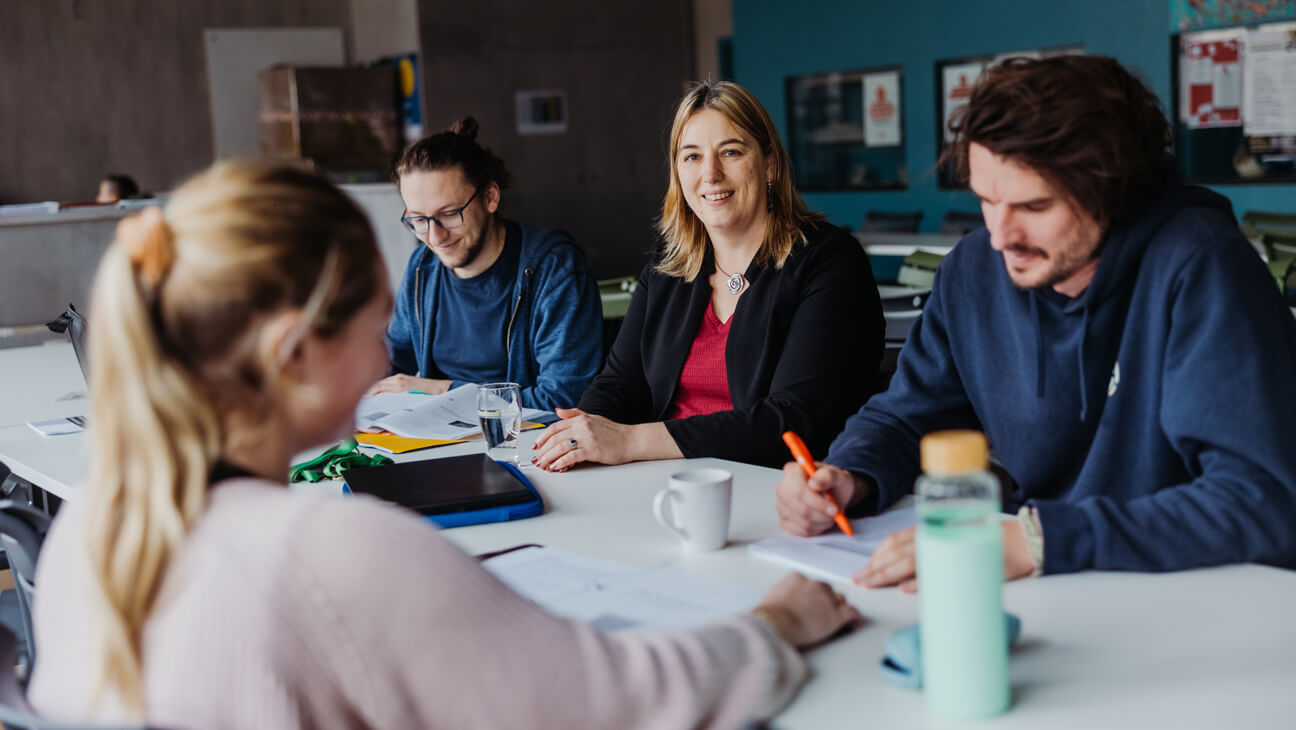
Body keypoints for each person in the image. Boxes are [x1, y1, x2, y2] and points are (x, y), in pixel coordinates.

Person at [29, 160, 861, 728]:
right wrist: (773, 625)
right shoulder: (339, 552)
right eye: (374, 312)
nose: (389, 347)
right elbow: (613, 702)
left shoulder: (96, 525)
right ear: (294, 352)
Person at [775, 55, 1296, 589]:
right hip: (1052, 581)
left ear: (1112, 188)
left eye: (1034, 206)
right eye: (986, 200)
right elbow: (907, 418)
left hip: (1192, 593)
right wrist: (849, 476)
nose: (1002, 236)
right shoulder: (974, 270)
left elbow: (1258, 499)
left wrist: (1042, 540)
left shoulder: (1202, 267)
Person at [532, 80, 883, 471]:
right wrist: (583, 432)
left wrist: (631, 439)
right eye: (692, 157)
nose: (710, 173)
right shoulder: (669, 267)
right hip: (667, 481)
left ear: (769, 163)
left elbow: (792, 421)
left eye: (730, 152)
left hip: (778, 488)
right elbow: (620, 384)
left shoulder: (829, 262)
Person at [370, 117, 602, 409]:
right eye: (418, 219)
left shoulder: (553, 269)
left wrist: (442, 391)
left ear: (490, 198)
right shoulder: (423, 268)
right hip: (438, 439)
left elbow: (564, 398)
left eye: (450, 214)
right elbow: (391, 361)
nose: (434, 236)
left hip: (523, 445)